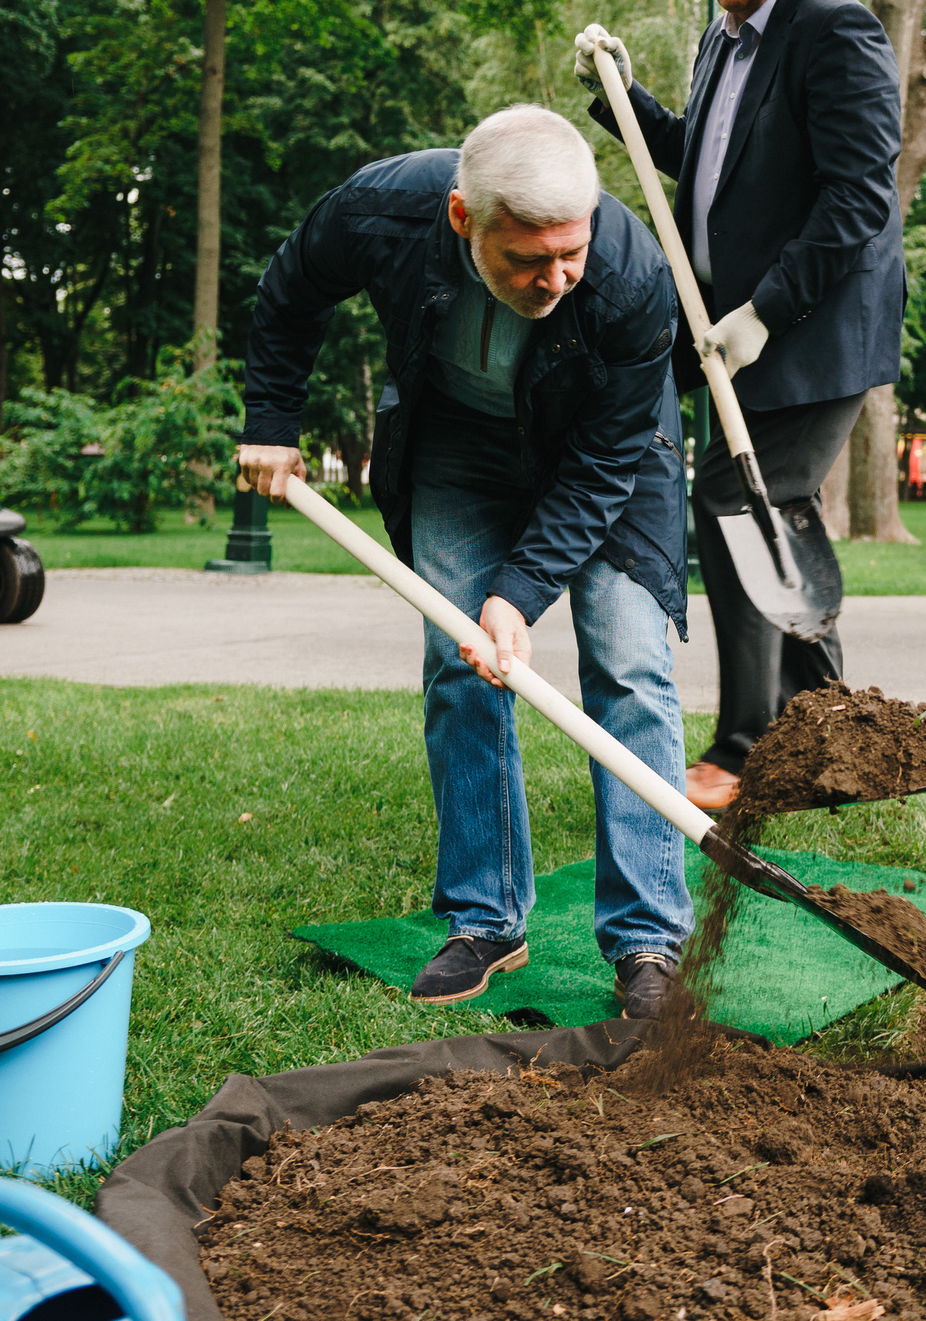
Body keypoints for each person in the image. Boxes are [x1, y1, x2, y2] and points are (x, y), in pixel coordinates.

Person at [236, 105, 693, 1019]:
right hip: (458, 439)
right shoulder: (380, 211)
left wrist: (519, 592)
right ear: (461, 218)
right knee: (460, 660)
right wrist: (271, 425)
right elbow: (289, 290)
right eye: (530, 257)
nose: (559, 277)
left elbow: (604, 464)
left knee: (630, 659)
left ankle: (648, 936)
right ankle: (486, 918)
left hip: (612, 455)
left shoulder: (635, 276)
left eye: (572, 250)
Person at [574, 0, 904, 813]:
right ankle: (839, 734)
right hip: (729, 331)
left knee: (741, 495)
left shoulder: (835, 31)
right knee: (776, 513)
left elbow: (858, 199)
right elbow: (698, 163)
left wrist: (766, 310)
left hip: (814, 323)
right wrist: (620, 94)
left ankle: (748, 742)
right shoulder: (720, 44)